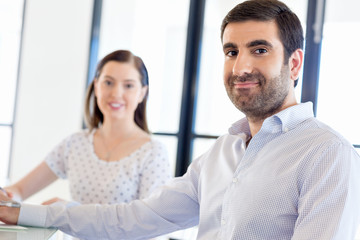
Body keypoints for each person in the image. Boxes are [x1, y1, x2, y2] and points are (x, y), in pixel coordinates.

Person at [1, 0, 360, 239]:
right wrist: (32, 214)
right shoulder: (221, 154)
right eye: (231, 51)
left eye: (260, 49)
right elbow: (133, 219)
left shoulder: (327, 154)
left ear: (294, 63)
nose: (241, 67)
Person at [0, 50, 171, 207]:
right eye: (108, 82)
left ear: (142, 93)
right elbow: (19, 191)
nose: (116, 93)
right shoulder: (75, 144)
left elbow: (152, 225)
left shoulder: (153, 153)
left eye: (128, 85)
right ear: (96, 86)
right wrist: (5, 195)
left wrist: (71, 212)